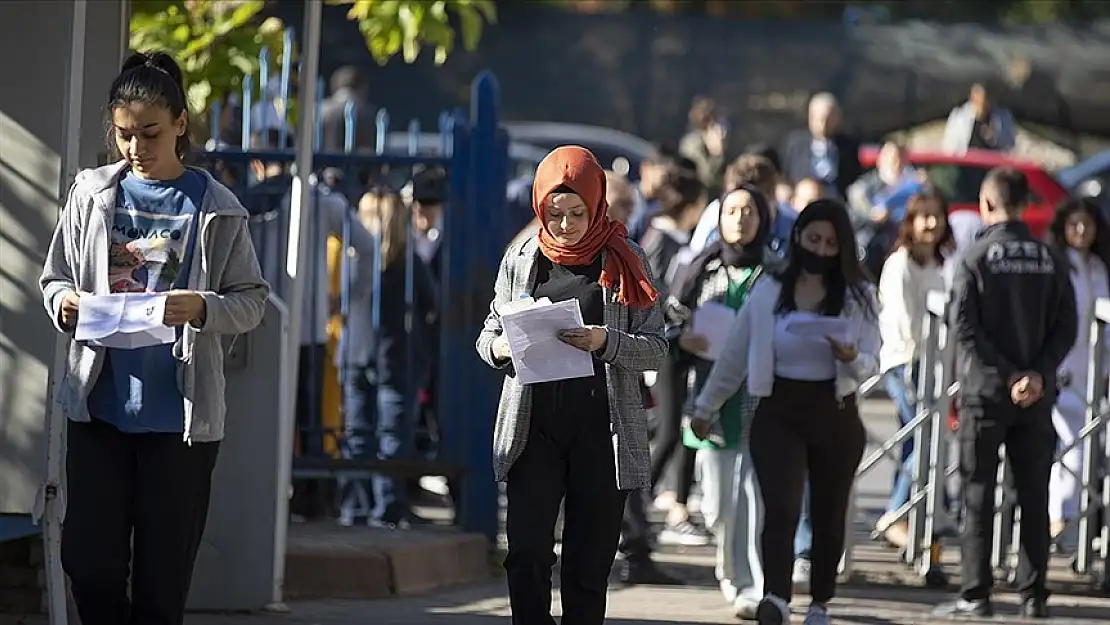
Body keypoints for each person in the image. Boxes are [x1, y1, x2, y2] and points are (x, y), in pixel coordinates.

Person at [39, 51, 269, 625]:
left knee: (162, 586)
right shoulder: (91, 195)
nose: (136, 148)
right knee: (89, 565)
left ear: (180, 125)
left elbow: (252, 301)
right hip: (98, 410)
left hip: (181, 424)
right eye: (123, 135)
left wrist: (202, 308)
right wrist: (63, 301)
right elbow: (55, 277)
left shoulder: (217, 207)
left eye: (150, 134)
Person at [476, 146, 666, 625]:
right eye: (554, 214)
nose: (565, 225)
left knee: (587, 567)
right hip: (534, 427)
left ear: (597, 204)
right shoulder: (522, 258)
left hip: (603, 433)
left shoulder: (625, 258)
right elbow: (489, 332)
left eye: (577, 213)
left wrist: (607, 341)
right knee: (528, 553)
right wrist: (500, 350)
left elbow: (657, 347)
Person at [691, 199, 879, 625]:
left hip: (835, 411)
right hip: (778, 410)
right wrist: (705, 408)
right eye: (813, 238)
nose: (821, 249)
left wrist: (850, 356)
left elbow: (872, 360)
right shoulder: (771, 288)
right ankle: (775, 596)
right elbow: (735, 355)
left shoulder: (857, 293)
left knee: (829, 515)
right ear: (797, 238)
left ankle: (820, 603)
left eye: (831, 243)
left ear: (842, 247)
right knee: (779, 507)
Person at [932, 168, 1077, 620]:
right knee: (1032, 495)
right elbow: (1067, 326)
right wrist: (1035, 373)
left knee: (978, 493)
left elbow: (965, 328)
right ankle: (1033, 595)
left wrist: (1008, 373)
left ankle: (977, 594)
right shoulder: (1049, 257)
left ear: (986, 203)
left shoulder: (974, 257)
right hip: (1036, 396)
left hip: (986, 394)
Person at [669, 184, 773, 619]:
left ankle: (749, 584)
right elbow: (666, 325)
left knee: (751, 496)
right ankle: (728, 565)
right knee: (717, 507)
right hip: (708, 396)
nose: (740, 219)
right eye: (732, 211)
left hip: (758, 399)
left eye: (749, 211)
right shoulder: (700, 269)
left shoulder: (775, 273)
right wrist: (684, 339)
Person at [339, 188, 437, 528]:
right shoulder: (408, 263)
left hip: (354, 353)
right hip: (395, 357)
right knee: (392, 436)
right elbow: (432, 304)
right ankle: (389, 508)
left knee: (357, 435)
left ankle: (355, 507)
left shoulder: (353, 262)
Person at [874, 190, 953, 548]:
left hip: (931, 363)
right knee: (922, 436)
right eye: (925, 217)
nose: (932, 224)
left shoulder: (938, 264)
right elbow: (905, 325)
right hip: (904, 361)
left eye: (937, 216)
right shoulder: (900, 263)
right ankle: (894, 512)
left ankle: (908, 513)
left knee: (916, 440)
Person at [1044, 198, 1110, 549]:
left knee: (1088, 449)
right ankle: (1061, 520)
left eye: (1087, 224)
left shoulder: (1098, 267)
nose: (1081, 231)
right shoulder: (1058, 265)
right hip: (1064, 367)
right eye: (1074, 224)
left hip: (1095, 369)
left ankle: (1078, 524)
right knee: (1073, 447)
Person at [780, 92, 863, 199]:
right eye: (819, 119)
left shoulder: (848, 146)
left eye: (828, 119)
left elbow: (854, 180)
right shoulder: (795, 144)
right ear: (810, 118)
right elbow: (785, 177)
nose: (823, 125)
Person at [942, 83, 1017, 155]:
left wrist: (993, 137)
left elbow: (1009, 146)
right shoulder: (959, 118)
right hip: (965, 164)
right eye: (978, 95)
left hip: (993, 164)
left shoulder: (1002, 118)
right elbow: (949, 148)